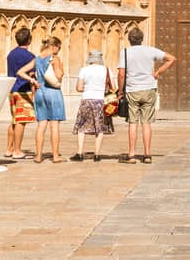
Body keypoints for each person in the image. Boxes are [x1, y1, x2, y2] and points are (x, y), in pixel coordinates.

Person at [117, 26, 175, 165]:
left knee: (133, 123)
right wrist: (158, 72)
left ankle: (131, 155)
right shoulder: (150, 50)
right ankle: (147, 154)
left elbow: (121, 74)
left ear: (129, 39)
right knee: (146, 123)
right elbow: (172, 58)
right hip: (149, 89)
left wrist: (120, 91)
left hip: (132, 90)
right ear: (141, 39)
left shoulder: (125, 52)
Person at [71, 48, 115, 162]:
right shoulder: (107, 70)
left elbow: (79, 88)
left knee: (82, 126)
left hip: (87, 99)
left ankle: (79, 153)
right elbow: (113, 88)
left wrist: (89, 88)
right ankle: (97, 154)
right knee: (99, 127)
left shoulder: (84, 70)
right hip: (101, 100)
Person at [32, 35, 66, 164]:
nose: (59, 49)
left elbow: (22, 71)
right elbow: (58, 76)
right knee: (54, 125)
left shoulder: (37, 59)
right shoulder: (54, 58)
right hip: (53, 93)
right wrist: (60, 69)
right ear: (54, 46)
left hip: (40, 92)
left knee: (41, 125)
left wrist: (33, 80)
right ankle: (55, 156)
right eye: (59, 47)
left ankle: (38, 155)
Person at [5, 25, 36, 160]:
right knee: (21, 121)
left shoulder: (11, 54)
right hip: (24, 91)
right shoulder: (30, 56)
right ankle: (17, 150)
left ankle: (9, 149)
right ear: (29, 40)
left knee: (14, 120)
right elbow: (32, 76)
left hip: (12, 90)